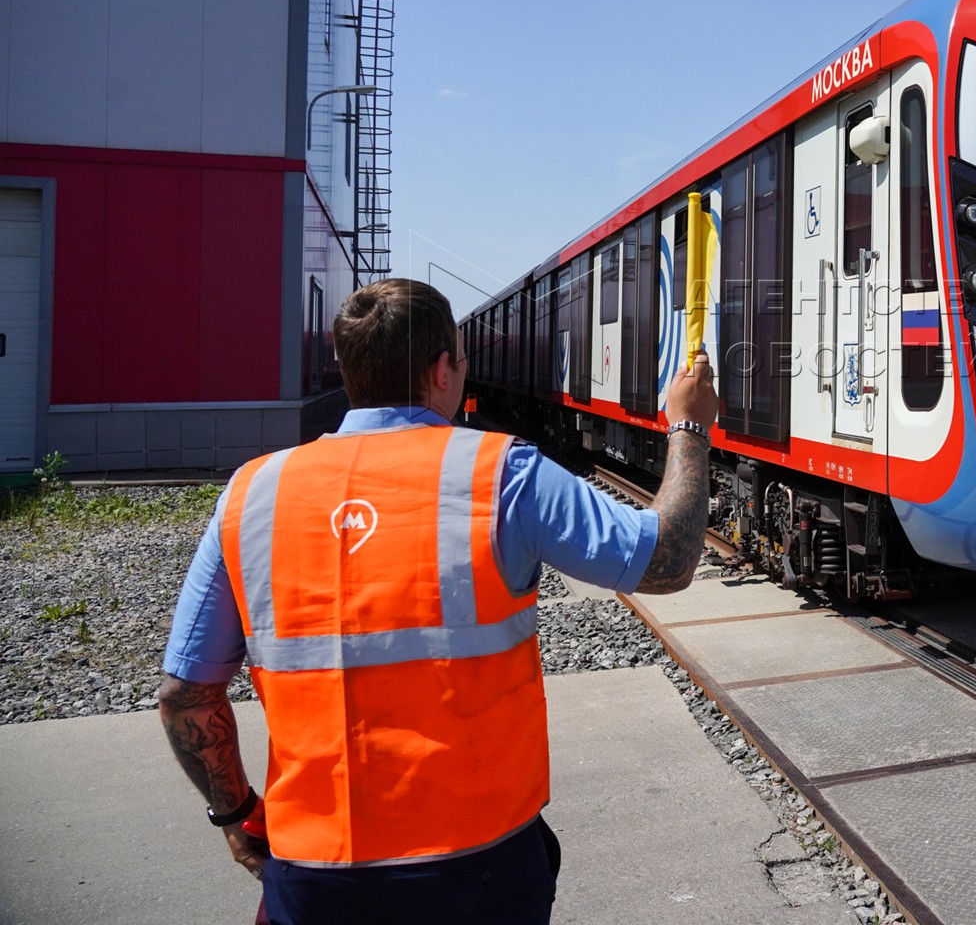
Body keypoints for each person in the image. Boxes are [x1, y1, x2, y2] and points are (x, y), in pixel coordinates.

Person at [157, 278, 718, 923]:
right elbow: (667, 559)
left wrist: (234, 814)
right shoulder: (501, 473)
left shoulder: (251, 495)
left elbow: (185, 695)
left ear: (347, 370)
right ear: (443, 370)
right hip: (479, 868)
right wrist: (688, 426)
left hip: (314, 872)